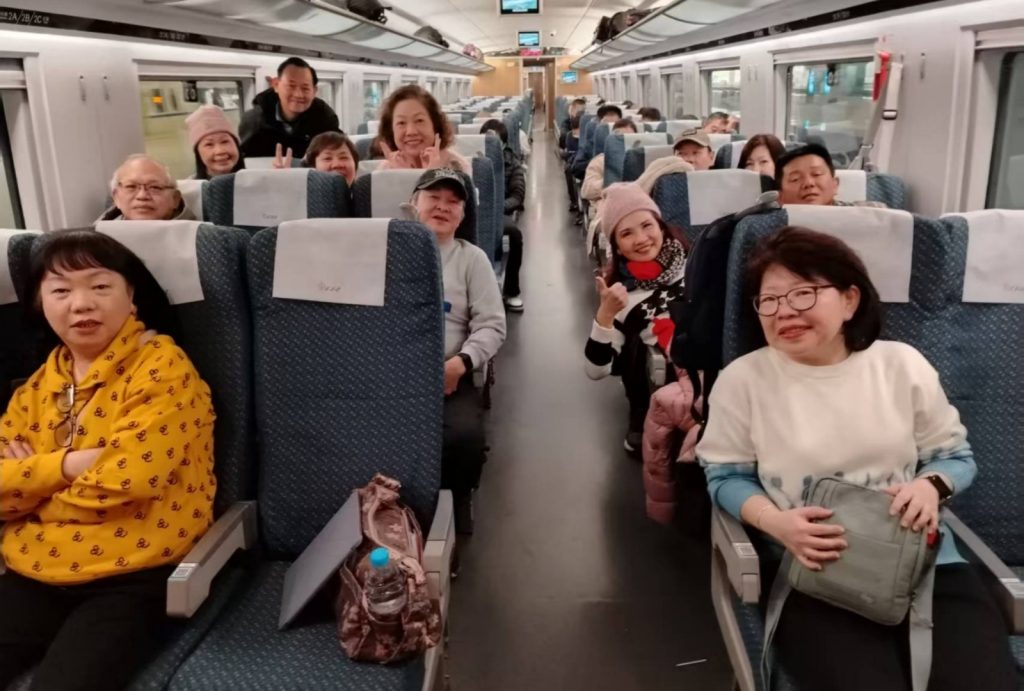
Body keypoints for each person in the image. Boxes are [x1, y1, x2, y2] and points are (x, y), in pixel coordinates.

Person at [696, 226, 1016, 691]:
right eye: (769, 300)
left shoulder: (901, 365)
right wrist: (776, 523)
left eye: (803, 293)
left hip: (927, 566)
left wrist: (930, 486)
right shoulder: (743, 380)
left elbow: (954, 457)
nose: (784, 310)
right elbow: (725, 477)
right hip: (817, 569)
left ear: (849, 300)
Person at [0, 229, 216, 691]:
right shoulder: (38, 386)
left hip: (133, 572)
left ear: (131, 296)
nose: (81, 304)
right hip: (32, 570)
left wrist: (31, 489)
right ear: (40, 303)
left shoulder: (161, 367)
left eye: (100, 286)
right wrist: (70, 466)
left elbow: (128, 481)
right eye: (61, 291)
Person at [409, 168, 506, 532]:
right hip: (391, 368)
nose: (442, 207)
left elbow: (492, 325)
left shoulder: (471, 259)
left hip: (448, 369)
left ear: (463, 215)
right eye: (433, 197)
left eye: (453, 202)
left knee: (464, 437)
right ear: (414, 203)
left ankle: (457, 497)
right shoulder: (386, 253)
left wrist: (461, 363)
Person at [585, 183, 687, 455]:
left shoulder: (697, 264)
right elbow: (595, 370)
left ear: (661, 226)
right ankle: (640, 409)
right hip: (676, 378)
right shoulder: (621, 296)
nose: (641, 239)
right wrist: (605, 314)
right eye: (626, 233)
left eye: (647, 225)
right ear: (617, 246)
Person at [239, 57, 341, 159]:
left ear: (314, 91)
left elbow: (336, 155)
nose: (298, 94)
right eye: (291, 86)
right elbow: (246, 162)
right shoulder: (254, 121)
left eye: (305, 88)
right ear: (276, 85)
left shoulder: (324, 118)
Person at [479, 120, 526, 312]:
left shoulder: (511, 163)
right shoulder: (468, 161)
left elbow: (517, 197)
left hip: (498, 211)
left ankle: (512, 291)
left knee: (514, 234)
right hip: (468, 211)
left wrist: (495, 208)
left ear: (504, 144)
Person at [377, 85, 470, 174]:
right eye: (401, 123)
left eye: (419, 120)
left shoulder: (457, 166)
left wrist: (433, 175)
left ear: (435, 125)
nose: (411, 132)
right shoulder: (384, 170)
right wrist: (399, 175)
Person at [776, 144, 886, 207]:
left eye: (817, 174)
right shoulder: (771, 228)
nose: (808, 183)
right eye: (795, 179)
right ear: (781, 197)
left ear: (835, 185)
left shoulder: (873, 213)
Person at [98, 155, 195, 222]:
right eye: (131, 186)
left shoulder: (197, 238)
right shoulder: (99, 239)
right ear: (116, 198)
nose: (142, 196)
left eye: (154, 187)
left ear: (175, 199)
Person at [581, 118, 638, 207]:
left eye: (629, 138)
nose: (623, 143)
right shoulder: (600, 161)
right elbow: (587, 190)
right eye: (620, 138)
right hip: (610, 205)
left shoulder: (642, 160)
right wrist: (609, 180)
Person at [186, 105, 245, 180]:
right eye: (209, 144)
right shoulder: (190, 186)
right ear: (198, 152)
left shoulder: (256, 179)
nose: (220, 151)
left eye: (225, 141)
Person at [564, 114, 583, 218]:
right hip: (575, 161)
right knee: (569, 169)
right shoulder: (570, 136)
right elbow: (570, 154)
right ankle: (574, 201)